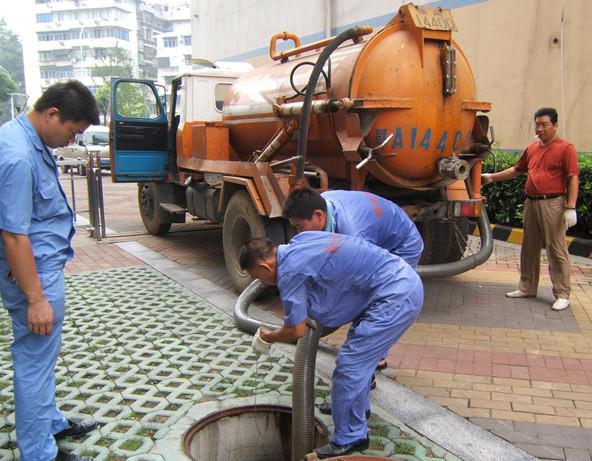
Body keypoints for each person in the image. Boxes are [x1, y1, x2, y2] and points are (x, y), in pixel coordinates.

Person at [240, 233, 423, 459]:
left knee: (349, 367)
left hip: (394, 297)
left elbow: (295, 331)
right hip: (393, 283)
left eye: (254, 275)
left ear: (264, 266)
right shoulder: (301, 241)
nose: (257, 280)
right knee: (360, 361)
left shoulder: (290, 272)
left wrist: (268, 337)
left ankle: (351, 437)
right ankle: (358, 411)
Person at [0, 81, 101, 461]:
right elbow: (13, 236)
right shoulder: (17, 155)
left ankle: (49, 423)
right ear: (51, 114)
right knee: (34, 360)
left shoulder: (29, 141)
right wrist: (36, 298)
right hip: (33, 277)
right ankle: (38, 453)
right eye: (72, 131)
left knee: (42, 358)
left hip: (41, 268)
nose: (70, 140)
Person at [481, 107, 578, 311]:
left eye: (544, 124)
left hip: (553, 203)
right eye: (537, 124)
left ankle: (562, 293)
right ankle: (527, 287)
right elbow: (517, 170)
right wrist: (491, 177)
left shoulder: (565, 148)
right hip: (531, 202)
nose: (540, 128)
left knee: (555, 247)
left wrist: (571, 207)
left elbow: (573, 178)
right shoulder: (533, 148)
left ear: (555, 125)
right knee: (529, 247)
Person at [282, 187, 424, 268]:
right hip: (378, 230)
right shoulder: (322, 201)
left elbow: (359, 274)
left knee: (388, 295)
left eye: (300, 227)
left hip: (403, 244)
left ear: (318, 215)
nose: (298, 234)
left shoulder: (354, 233)